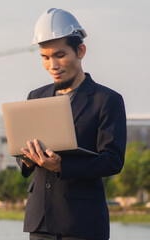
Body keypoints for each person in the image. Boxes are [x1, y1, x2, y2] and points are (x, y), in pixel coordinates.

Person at [16, 8, 127, 240]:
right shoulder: (35, 97)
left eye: (59, 55)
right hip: (40, 221)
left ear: (81, 51)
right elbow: (22, 152)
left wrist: (62, 166)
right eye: (45, 57)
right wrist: (26, 157)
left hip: (82, 222)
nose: (52, 65)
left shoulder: (107, 100)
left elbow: (113, 161)